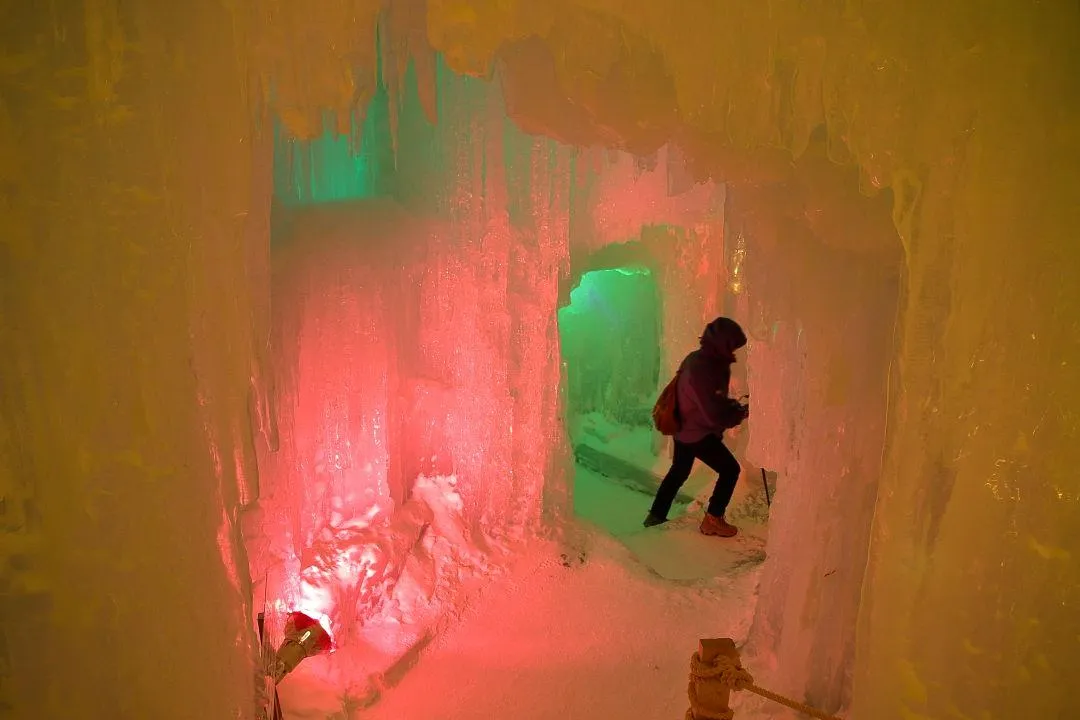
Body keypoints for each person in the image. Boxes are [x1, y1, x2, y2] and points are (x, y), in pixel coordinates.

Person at [645, 316, 749, 537]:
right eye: (732, 345)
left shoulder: (699, 359)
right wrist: (739, 412)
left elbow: (712, 401)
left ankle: (656, 515)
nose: (734, 351)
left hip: (684, 427)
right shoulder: (705, 367)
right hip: (695, 432)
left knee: (679, 471)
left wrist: (734, 407)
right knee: (730, 470)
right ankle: (713, 519)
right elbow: (712, 410)